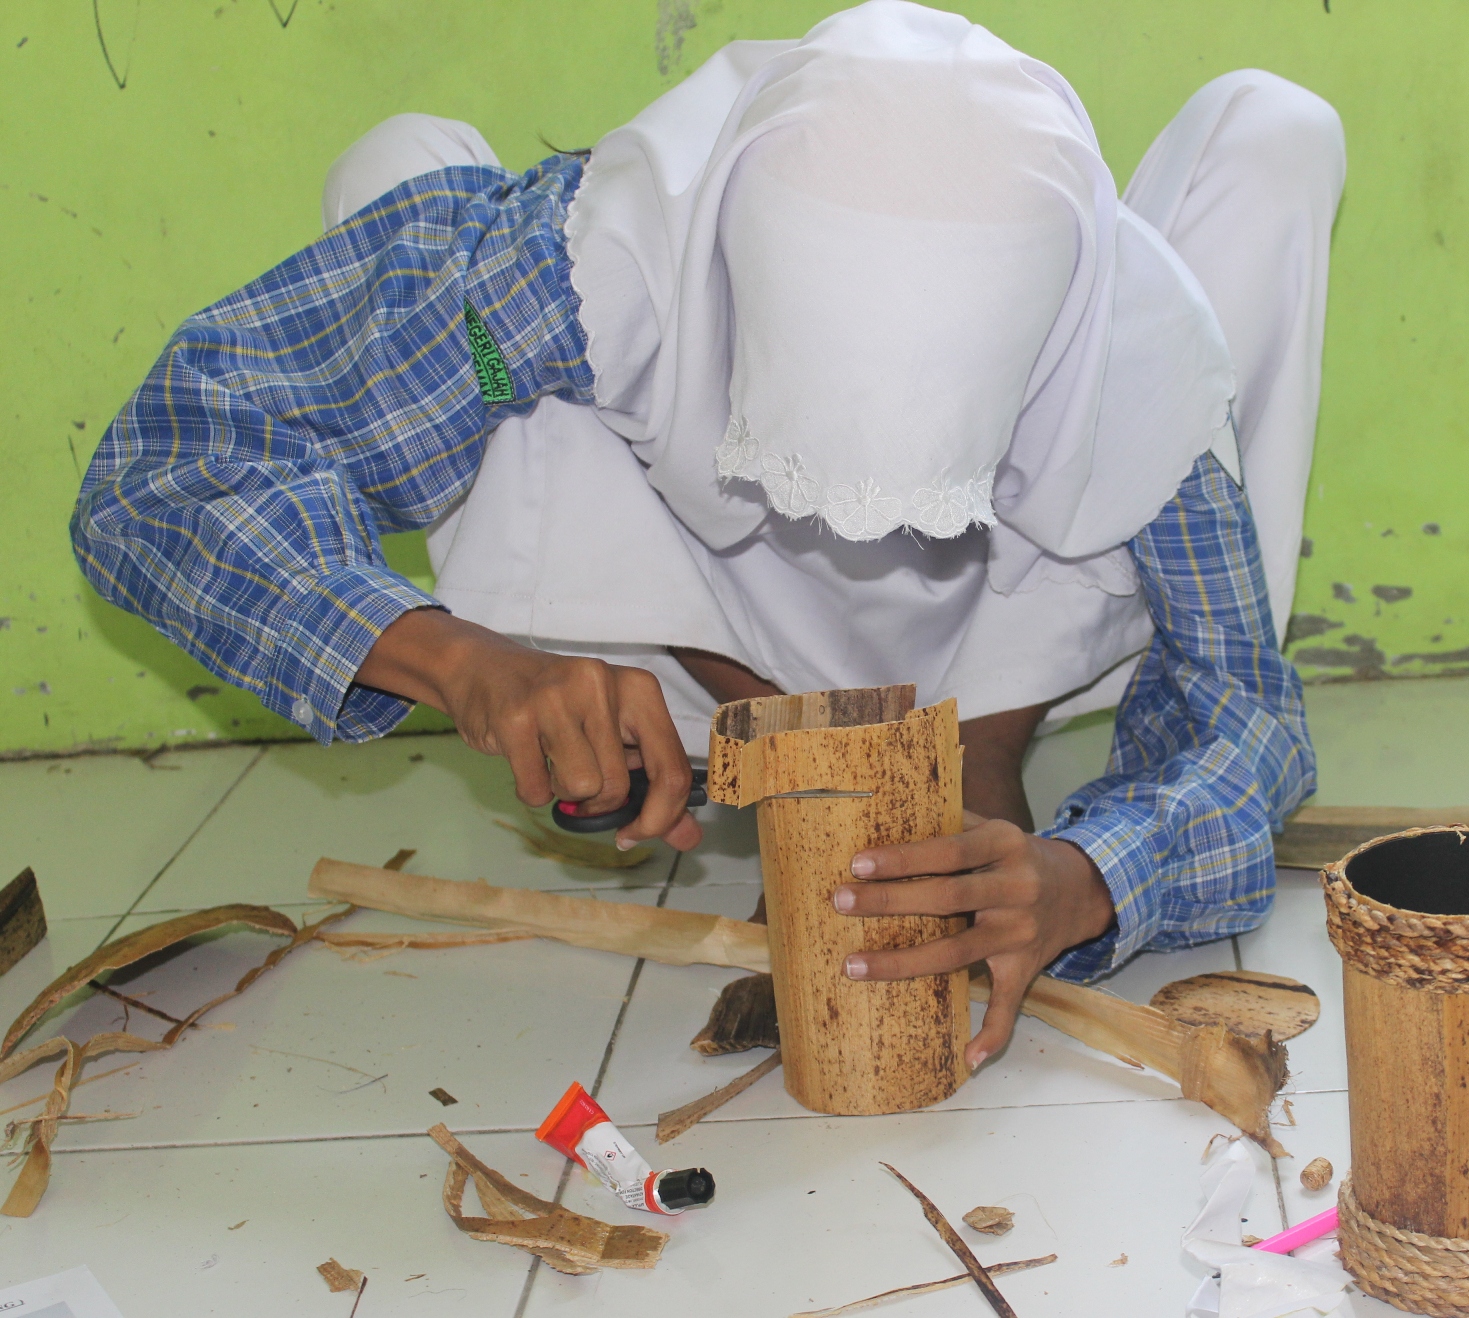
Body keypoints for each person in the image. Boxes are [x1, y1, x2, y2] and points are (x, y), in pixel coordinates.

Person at [72, 1, 1344, 1068]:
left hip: (1007, 640)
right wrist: (462, 661)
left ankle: (974, 750)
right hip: (703, 633)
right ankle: (723, 741)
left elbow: (1251, 713)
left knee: (1274, 132)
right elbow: (163, 473)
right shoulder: (583, 260)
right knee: (400, 182)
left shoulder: (1131, 347)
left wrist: (1086, 874)